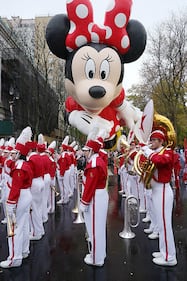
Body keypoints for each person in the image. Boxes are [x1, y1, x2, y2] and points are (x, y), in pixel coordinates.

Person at [141, 129, 177, 266]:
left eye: (153, 140)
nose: (150, 142)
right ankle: (164, 251)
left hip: (163, 190)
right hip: (156, 190)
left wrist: (148, 152)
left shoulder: (167, 152)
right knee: (161, 225)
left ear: (160, 141)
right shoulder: (155, 153)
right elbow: (146, 165)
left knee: (165, 225)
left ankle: (169, 257)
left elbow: (161, 161)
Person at [0, 127, 33, 268]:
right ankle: (24, 250)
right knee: (24, 225)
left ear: (20, 153)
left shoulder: (19, 166)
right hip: (26, 196)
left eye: (15, 152)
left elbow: (15, 187)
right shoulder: (25, 163)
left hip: (19, 197)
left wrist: (10, 203)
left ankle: (14, 258)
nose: (12, 155)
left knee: (13, 226)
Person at [80, 138, 108, 267]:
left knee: (95, 228)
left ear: (91, 150)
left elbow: (90, 186)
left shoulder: (94, 163)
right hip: (99, 195)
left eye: (86, 151)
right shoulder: (96, 161)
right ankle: (99, 254)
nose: (84, 153)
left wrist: (84, 202)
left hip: (96, 197)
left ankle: (96, 258)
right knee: (99, 228)